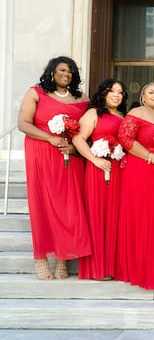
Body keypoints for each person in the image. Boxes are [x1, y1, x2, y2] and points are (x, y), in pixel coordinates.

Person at [17, 56, 91, 280]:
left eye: (70, 71)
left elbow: (87, 132)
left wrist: (74, 148)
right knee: (43, 204)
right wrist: (50, 138)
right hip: (42, 153)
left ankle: (62, 257)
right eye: (61, 70)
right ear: (51, 71)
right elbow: (23, 124)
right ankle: (40, 257)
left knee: (68, 207)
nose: (66, 74)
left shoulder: (82, 98)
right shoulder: (36, 93)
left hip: (71, 157)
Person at [116, 82, 154, 290]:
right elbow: (125, 138)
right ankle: (141, 267)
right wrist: (151, 157)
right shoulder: (136, 113)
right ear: (143, 96)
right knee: (144, 216)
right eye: (151, 92)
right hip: (141, 169)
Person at [72, 78, 128, 281]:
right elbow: (78, 138)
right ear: (103, 93)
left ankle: (114, 266)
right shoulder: (93, 113)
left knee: (116, 216)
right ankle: (98, 268)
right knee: (99, 214)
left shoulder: (123, 116)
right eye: (112, 91)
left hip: (120, 171)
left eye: (120, 92)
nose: (116, 95)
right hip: (99, 170)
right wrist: (95, 160)